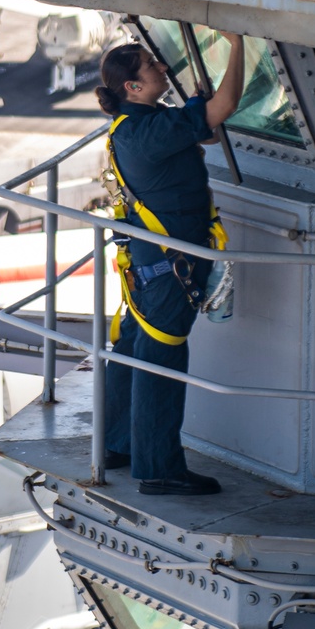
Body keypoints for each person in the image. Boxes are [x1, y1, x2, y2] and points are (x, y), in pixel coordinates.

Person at [100, 35, 245, 495]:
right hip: (170, 268)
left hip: (150, 265)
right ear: (133, 86)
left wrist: (197, 102)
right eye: (151, 65)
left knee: (134, 347)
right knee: (161, 361)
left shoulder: (135, 125)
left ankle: (118, 445)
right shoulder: (149, 131)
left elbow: (203, 127)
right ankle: (159, 468)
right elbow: (225, 109)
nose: (162, 67)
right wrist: (237, 46)